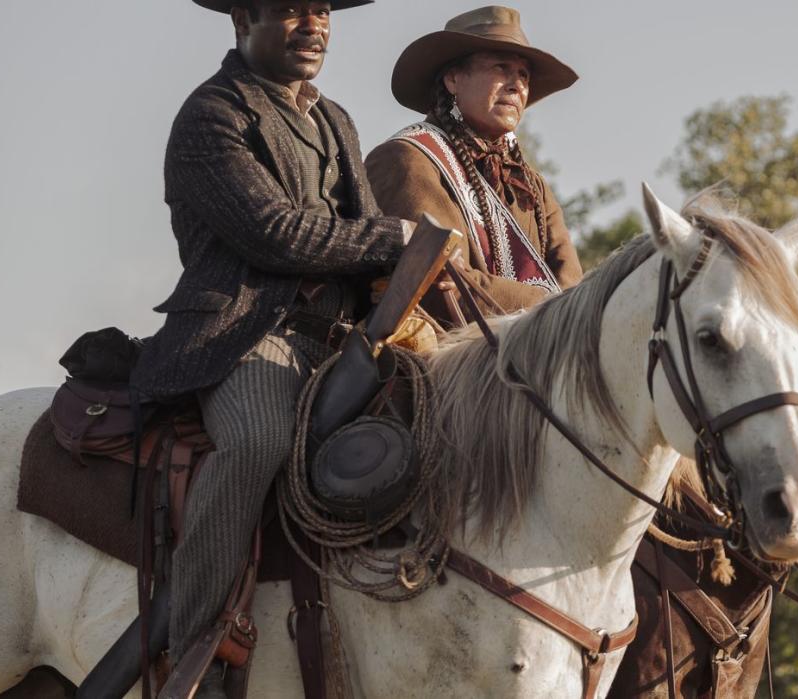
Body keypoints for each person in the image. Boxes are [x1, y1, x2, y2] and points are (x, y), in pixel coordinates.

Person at [125, 0, 411, 690]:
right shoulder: (210, 116)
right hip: (247, 333)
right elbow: (275, 234)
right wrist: (398, 238)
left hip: (340, 338)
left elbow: (364, 227)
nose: (313, 24)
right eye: (289, 10)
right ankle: (190, 647)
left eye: (321, 10)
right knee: (256, 440)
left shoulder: (333, 118)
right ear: (240, 21)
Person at [365, 5, 583, 324]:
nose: (516, 85)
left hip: (534, 358)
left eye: (523, 75)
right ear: (453, 79)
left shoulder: (530, 186)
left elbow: (574, 293)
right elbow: (442, 287)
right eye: (500, 67)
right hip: (438, 362)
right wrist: (551, 304)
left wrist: (555, 305)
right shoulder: (409, 158)